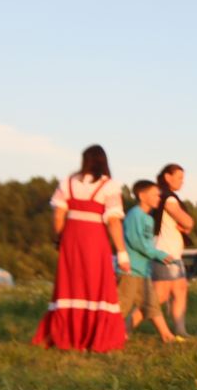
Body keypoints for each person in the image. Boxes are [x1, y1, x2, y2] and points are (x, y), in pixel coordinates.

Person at [34, 144, 129, 352]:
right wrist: (122, 252)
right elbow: (113, 221)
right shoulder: (109, 186)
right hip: (95, 239)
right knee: (97, 285)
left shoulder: (67, 183)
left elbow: (58, 216)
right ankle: (94, 338)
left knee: (70, 284)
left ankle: (64, 335)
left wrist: (61, 239)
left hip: (71, 238)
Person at [121, 180, 180, 344]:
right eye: (154, 194)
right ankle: (105, 336)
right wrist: (159, 254)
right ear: (141, 195)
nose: (158, 198)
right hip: (130, 271)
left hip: (143, 270)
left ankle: (167, 337)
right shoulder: (135, 215)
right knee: (122, 307)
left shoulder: (148, 219)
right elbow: (137, 242)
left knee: (152, 305)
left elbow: (147, 243)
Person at [152, 164, 195, 338]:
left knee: (180, 290)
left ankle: (180, 331)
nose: (182, 182)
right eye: (179, 178)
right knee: (159, 297)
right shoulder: (168, 198)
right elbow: (188, 222)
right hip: (165, 253)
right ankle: (126, 326)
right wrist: (188, 223)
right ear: (167, 177)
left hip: (172, 253)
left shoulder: (162, 196)